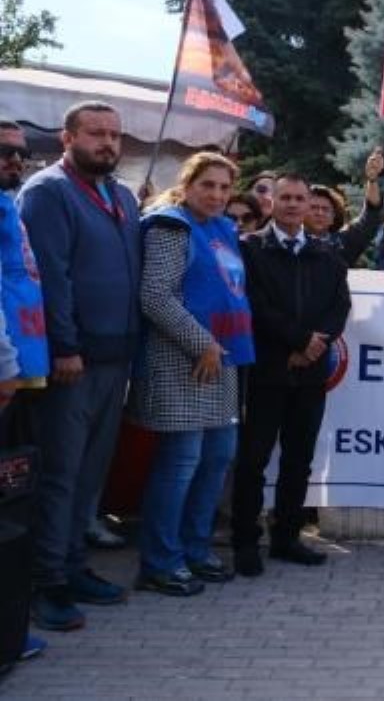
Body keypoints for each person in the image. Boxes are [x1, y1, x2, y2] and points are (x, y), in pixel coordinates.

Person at [18, 101, 142, 631]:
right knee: (60, 475)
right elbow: (49, 276)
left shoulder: (122, 196)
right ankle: (46, 583)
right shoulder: (48, 192)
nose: (108, 143)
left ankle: (72, 564)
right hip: (73, 361)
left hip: (117, 357)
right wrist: (64, 345)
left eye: (114, 134)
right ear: (67, 137)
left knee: (90, 476)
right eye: (96, 133)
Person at [133, 153, 253, 596]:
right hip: (181, 362)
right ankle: (161, 561)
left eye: (225, 187)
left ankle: (195, 549)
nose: (218, 195)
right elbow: (156, 297)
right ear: (187, 185)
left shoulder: (222, 229)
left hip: (220, 361)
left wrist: (215, 348)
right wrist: (201, 342)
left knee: (218, 458)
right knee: (181, 464)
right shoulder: (171, 226)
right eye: (209, 185)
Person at [231, 173, 352, 577]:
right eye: (285, 197)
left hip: (310, 376)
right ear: (272, 202)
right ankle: (245, 541)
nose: (292, 204)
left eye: (300, 198)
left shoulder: (326, 254)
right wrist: (298, 341)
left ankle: (286, 538)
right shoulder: (250, 249)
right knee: (253, 460)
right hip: (267, 370)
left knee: (298, 460)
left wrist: (315, 344)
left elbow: (339, 307)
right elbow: (254, 305)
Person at [0, 120, 49, 662]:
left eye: (19, 153)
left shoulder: (8, 206)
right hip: (7, 377)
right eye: (3, 152)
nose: (14, 161)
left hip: (24, 371)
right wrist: (6, 365)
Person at [306, 148, 384, 267]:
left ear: (334, 216)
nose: (319, 213)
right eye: (313, 208)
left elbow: (371, 214)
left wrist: (372, 179)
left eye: (325, 209)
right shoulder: (288, 241)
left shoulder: (344, 243)